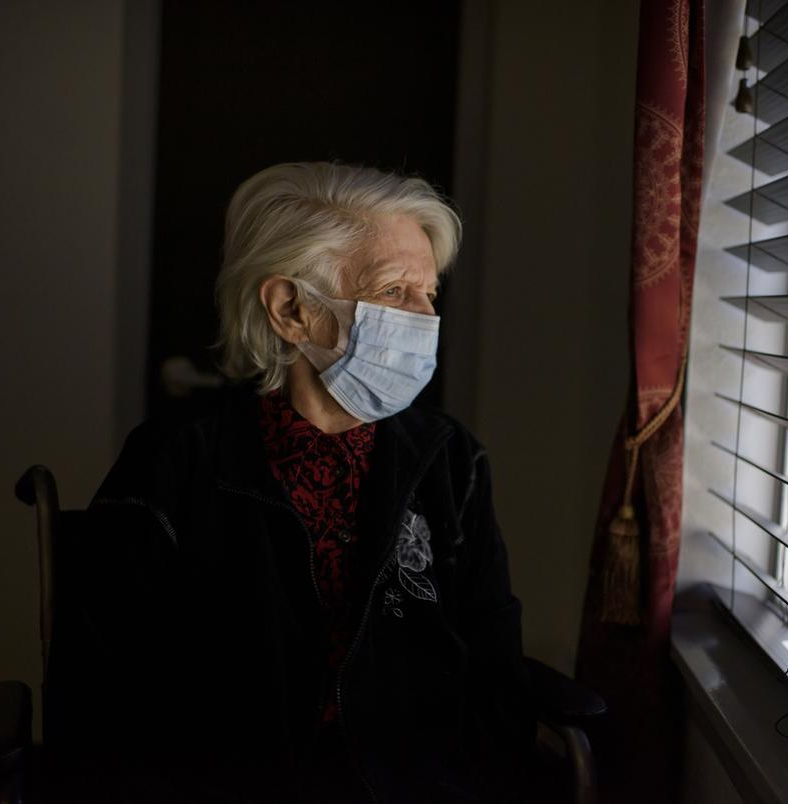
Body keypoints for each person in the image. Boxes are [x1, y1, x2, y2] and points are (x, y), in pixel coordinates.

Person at [57, 163, 535, 802]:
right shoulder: (174, 463)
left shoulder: (451, 461)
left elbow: (494, 664)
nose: (426, 318)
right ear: (291, 309)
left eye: (431, 295)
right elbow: (105, 691)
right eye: (396, 292)